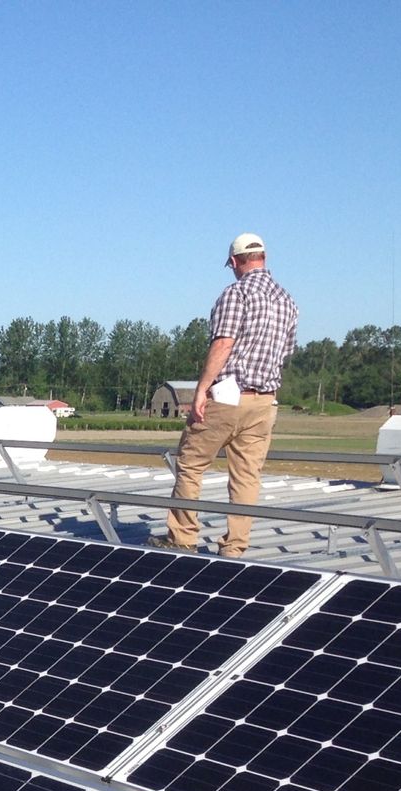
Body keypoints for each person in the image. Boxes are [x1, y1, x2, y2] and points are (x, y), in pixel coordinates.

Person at [151, 232, 298, 557]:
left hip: (230, 393)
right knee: (247, 476)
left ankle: (183, 536)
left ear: (234, 261)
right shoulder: (288, 300)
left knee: (190, 463)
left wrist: (202, 390)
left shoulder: (237, 294)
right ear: (264, 257)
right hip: (265, 400)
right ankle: (235, 547)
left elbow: (223, 343)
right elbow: (285, 352)